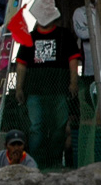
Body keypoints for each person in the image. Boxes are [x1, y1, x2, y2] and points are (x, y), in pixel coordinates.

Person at [13, 14, 81, 168]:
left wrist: (73, 82)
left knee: (59, 128)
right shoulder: (29, 38)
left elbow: (73, 59)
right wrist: (19, 88)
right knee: (37, 128)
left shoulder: (65, 35)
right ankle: (36, 164)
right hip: (35, 92)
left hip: (59, 90)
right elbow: (21, 65)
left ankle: (56, 161)